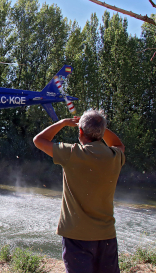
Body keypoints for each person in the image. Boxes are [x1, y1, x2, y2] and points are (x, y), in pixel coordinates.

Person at [33, 109, 125, 273]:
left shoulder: (72, 153)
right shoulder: (114, 156)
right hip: (106, 236)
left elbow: (39, 140)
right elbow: (119, 144)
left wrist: (63, 123)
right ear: (102, 132)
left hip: (77, 235)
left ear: (80, 130)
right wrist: (100, 128)